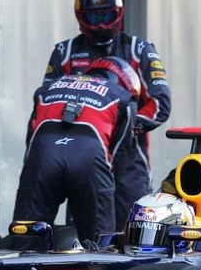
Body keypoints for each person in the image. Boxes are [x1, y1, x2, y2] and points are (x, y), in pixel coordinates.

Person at [44, 0, 171, 228]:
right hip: (81, 156)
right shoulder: (64, 53)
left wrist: (124, 125)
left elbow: (160, 104)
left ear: (119, 13)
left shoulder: (139, 49)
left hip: (129, 161)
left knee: (132, 233)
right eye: (93, 17)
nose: (101, 25)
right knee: (84, 235)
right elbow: (48, 102)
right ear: (81, 16)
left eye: (106, 15)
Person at [13, 56, 142, 244]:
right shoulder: (122, 97)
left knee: (25, 234)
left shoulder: (47, 88)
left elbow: (31, 139)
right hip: (89, 160)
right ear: (125, 81)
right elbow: (120, 154)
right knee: (99, 242)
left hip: (43, 155)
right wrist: (105, 188)